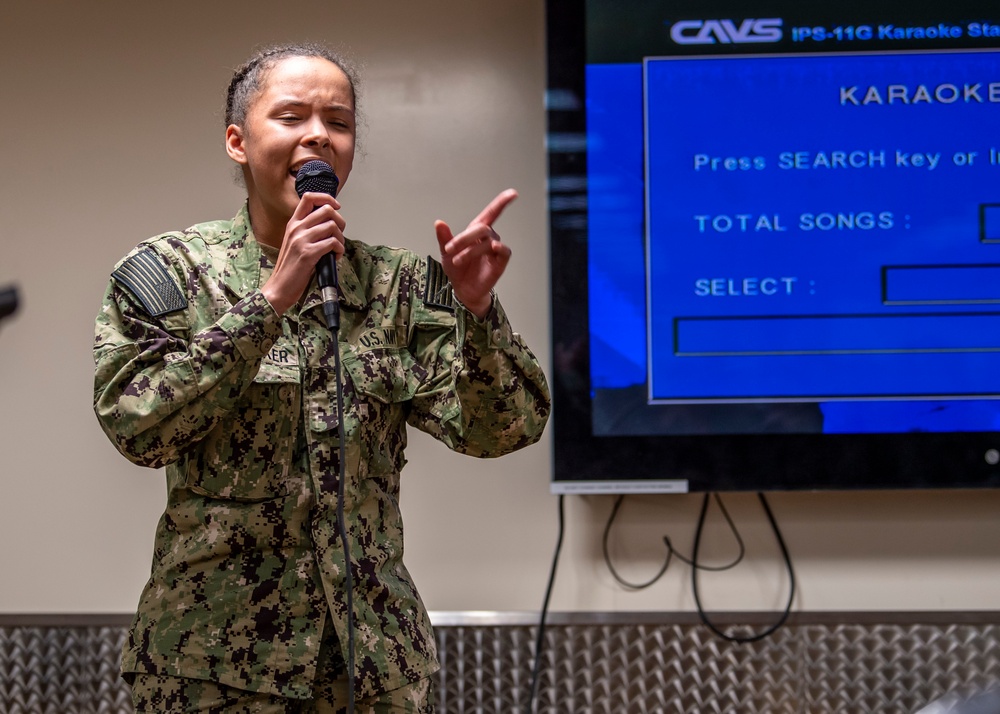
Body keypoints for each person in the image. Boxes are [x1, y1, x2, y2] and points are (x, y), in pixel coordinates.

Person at [92, 42, 550, 713]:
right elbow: (137, 427)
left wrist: (476, 313)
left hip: (372, 669)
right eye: (291, 117)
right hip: (213, 667)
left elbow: (504, 429)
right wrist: (270, 302)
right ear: (237, 141)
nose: (318, 136)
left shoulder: (398, 286)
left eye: (338, 122)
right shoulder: (173, 275)